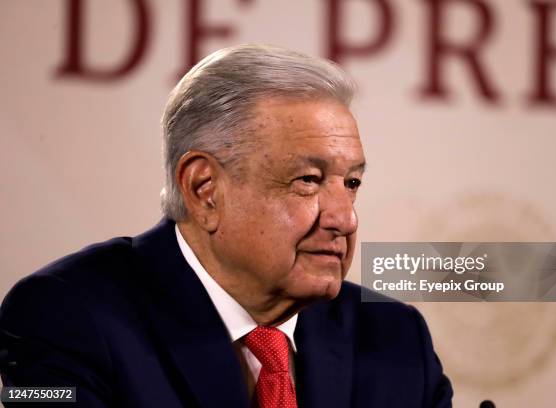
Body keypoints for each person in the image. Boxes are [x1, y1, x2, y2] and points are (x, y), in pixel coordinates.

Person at [0, 44, 452, 407]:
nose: (344, 218)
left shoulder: (394, 339)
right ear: (204, 189)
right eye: (308, 181)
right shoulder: (63, 315)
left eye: (351, 183)